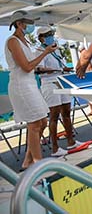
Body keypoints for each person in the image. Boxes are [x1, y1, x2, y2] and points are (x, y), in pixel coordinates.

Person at [5, 10, 58, 170]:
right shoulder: (13, 41)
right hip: (21, 87)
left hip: (30, 85)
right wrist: (46, 53)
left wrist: (43, 64)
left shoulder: (26, 42)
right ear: (20, 24)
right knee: (35, 125)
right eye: (29, 23)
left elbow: (31, 67)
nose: (32, 26)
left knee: (42, 122)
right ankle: (39, 166)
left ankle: (28, 161)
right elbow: (27, 67)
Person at [36, 27, 82, 157]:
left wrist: (64, 69)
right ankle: (55, 148)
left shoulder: (55, 50)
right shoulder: (39, 52)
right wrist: (52, 70)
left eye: (52, 34)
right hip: (49, 84)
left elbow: (59, 66)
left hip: (61, 81)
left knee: (66, 112)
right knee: (54, 116)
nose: (51, 36)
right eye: (47, 35)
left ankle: (71, 141)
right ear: (41, 38)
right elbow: (38, 69)